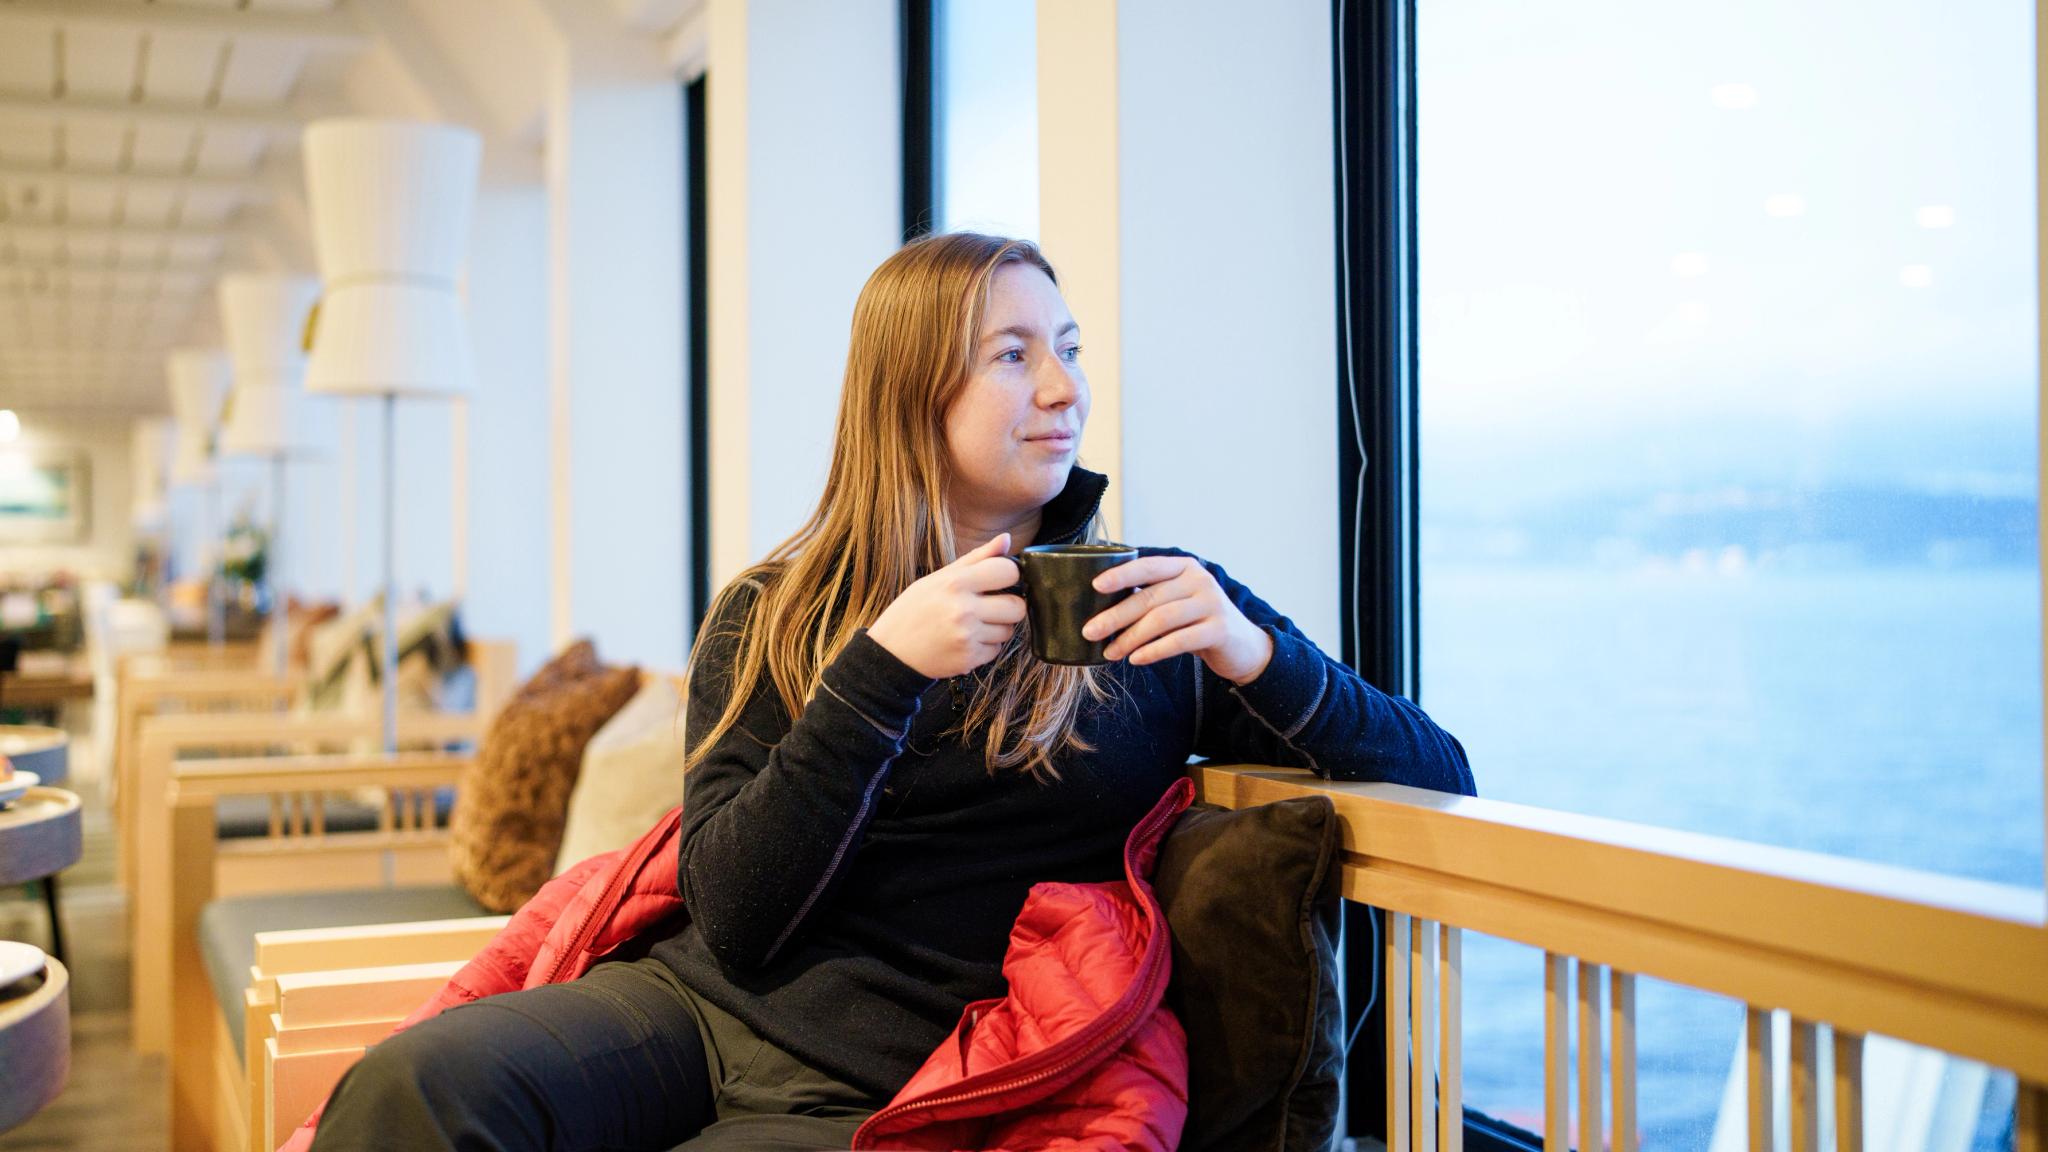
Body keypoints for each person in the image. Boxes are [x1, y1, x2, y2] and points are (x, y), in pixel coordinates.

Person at [310, 233, 1474, 1151]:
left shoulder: (1151, 608)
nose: (1064, 387)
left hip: (887, 1077)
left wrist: (1254, 657)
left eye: (1068, 347)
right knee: (416, 1086)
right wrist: (879, 671)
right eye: (1013, 355)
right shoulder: (778, 607)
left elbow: (1439, 771)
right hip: (689, 1011)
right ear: (911, 390)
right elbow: (735, 908)